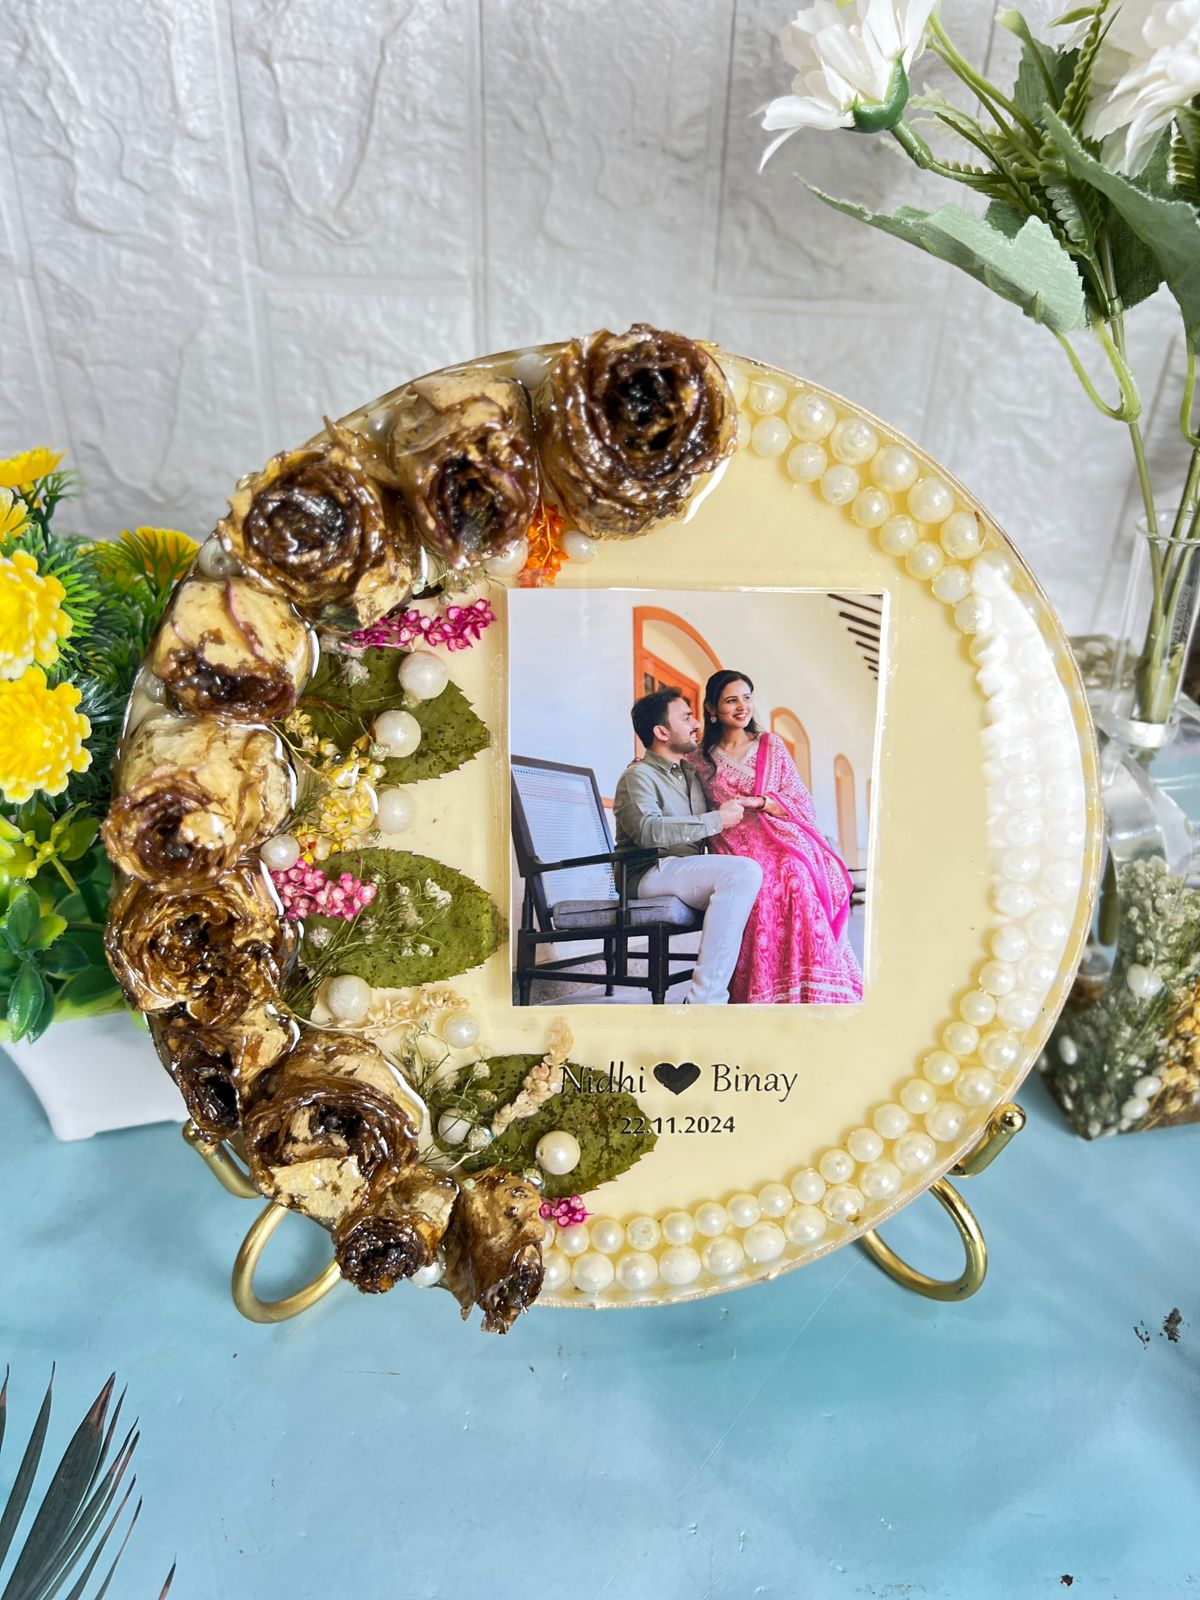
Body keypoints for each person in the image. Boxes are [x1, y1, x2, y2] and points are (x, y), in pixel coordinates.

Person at [688, 669, 863, 1005]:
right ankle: (764, 995)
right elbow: (677, 786)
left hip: (778, 839)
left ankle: (810, 990)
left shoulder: (771, 745)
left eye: (747, 698)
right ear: (711, 708)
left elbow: (802, 801)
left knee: (796, 878)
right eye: (731, 701)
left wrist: (761, 801)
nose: (742, 707)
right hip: (733, 849)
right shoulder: (698, 759)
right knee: (759, 889)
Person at [613, 688, 762, 1004]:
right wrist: (716, 820)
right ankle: (703, 1001)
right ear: (661, 732)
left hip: (683, 869)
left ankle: (752, 991)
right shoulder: (638, 776)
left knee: (757, 877)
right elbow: (647, 831)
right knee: (741, 873)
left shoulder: (691, 774)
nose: (696, 724)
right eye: (686, 718)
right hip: (647, 871)